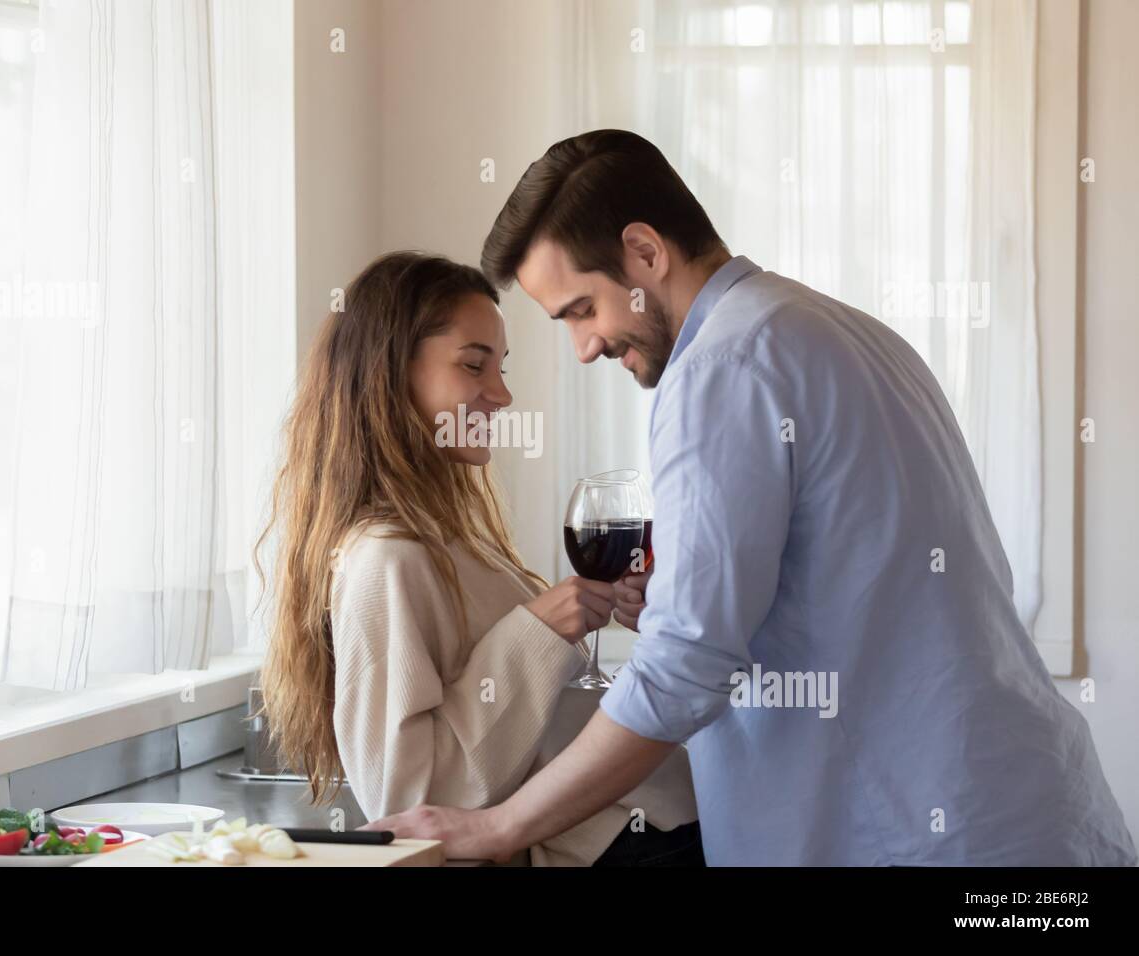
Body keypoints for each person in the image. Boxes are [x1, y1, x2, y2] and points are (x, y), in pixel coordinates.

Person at [360, 130, 1138, 866]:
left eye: (581, 310)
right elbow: (864, 575)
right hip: (1031, 821)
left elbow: (682, 671)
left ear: (643, 250)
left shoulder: (723, 368)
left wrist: (498, 827)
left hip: (912, 838)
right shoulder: (839, 328)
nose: (585, 347)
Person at [254, 250, 701, 866]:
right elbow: (411, 797)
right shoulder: (386, 558)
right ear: (390, 374)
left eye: (501, 367)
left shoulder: (449, 536)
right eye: (474, 366)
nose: (502, 394)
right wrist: (538, 631)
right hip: (622, 847)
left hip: (654, 824)